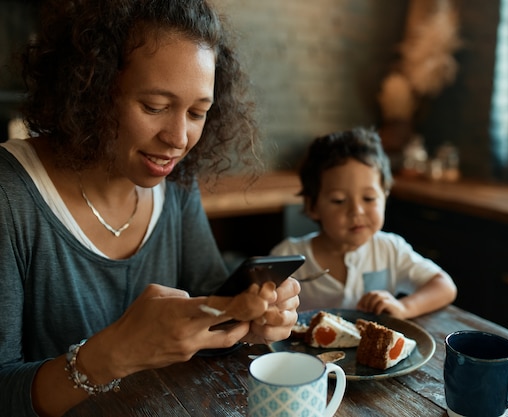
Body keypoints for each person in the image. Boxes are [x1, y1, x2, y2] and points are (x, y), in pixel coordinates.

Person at [0, 1, 300, 416]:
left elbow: (212, 303)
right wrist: (112, 354)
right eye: (155, 107)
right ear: (89, 87)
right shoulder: (9, 194)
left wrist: (250, 322)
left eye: (198, 113)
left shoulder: (174, 182)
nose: (179, 138)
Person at [271, 126, 456, 317]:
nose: (356, 211)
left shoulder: (390, 250)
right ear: (313, 206)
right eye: (339, 201)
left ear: (385, 196)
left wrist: (405, 307)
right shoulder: (288, 256)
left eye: (368, 198)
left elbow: (444, 285)